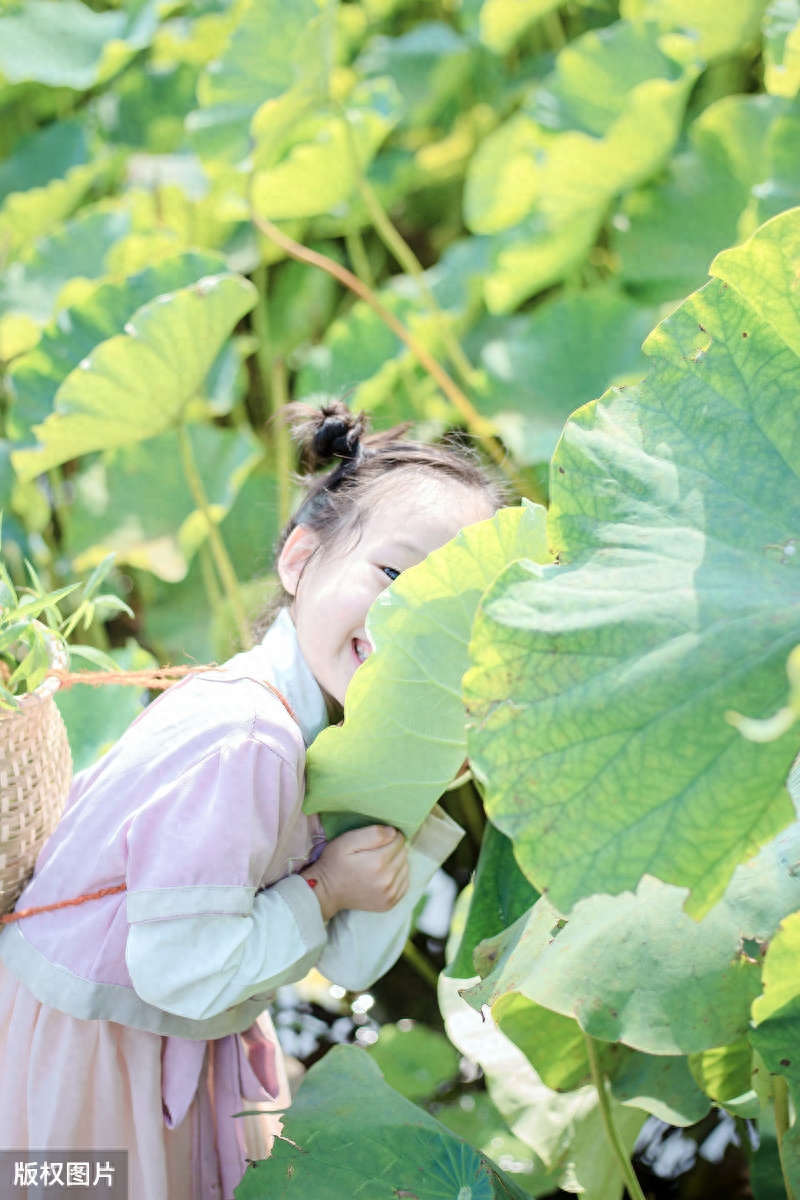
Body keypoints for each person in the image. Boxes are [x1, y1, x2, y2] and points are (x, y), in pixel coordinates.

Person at [0, 402, 507, 1200]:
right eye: (396, 578)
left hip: (181, 1028)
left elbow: (348, 961)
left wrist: (409, 797)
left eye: (457, 615)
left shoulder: (346, 722)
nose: (414, 624)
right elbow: (180, 968)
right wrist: (328, 886)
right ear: (301, 558)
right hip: (98, 1046)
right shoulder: (246, 738)